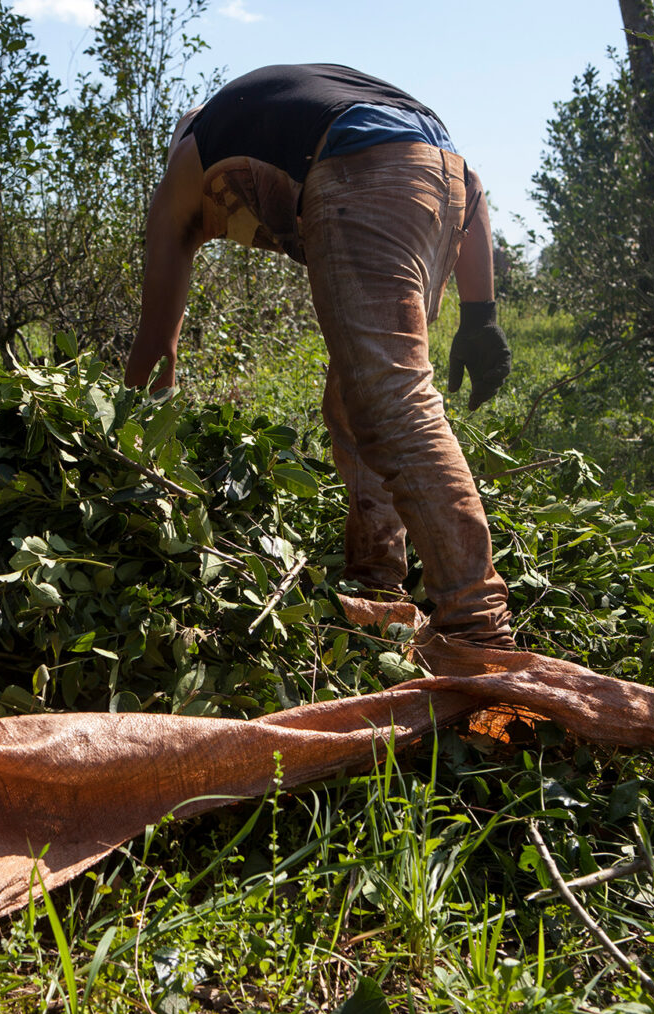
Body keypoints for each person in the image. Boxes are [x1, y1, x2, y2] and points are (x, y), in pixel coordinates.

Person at [122, 63, 514, 647]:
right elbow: (471, 182)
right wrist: (479, 316)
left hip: (363, 169)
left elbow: (157, 345)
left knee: (391, 398)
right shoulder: (291, 110)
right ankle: (377, 582)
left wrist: (123, 426)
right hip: (441, 178)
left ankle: (476, 627)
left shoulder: (192, 155)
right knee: (359, 394)